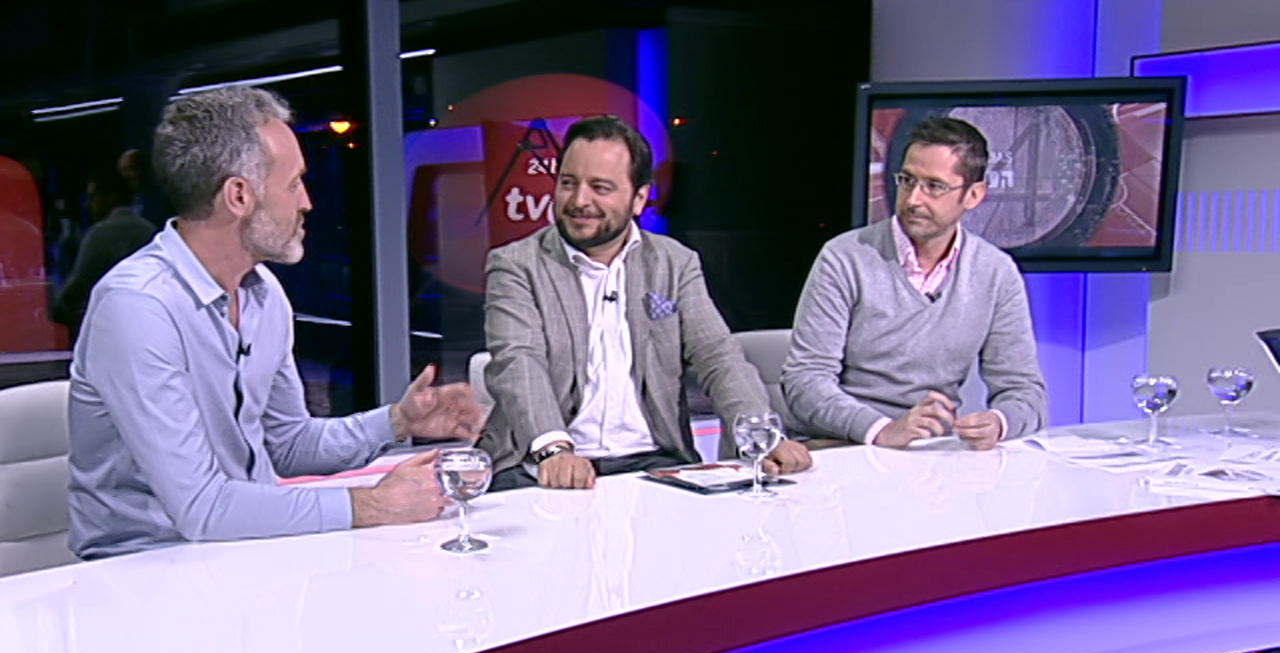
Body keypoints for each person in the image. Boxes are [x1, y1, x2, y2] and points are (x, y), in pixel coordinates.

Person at [68, 86, 483, 558]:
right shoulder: (138, 307)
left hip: (246, 552)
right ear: (238, 196)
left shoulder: (263, 294)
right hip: (143, 568)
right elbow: (202, 509)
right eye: (294, 184)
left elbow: (286, 444)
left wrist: (397, 421)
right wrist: (373, 505)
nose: (307, 202)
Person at [479, 115, 811, 490]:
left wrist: (762, 436)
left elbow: (717, 355)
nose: (579, 201)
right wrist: (553, 449)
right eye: (568, 183)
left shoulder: (674, 263)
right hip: (538, 464)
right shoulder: (517, 264)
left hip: (653, 461)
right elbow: (519, 361)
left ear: (639, 198)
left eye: (600, 187)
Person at [781, 116, 1047, 451]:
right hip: (840, 445)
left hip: (929, 453)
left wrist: (999, 422)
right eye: (907, 180)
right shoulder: (845, 258)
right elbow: (805, 381)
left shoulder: (996, 272)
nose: (913, 200)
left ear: (973, 195)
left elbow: (1025, 393)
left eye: (934, 186)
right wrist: (882, 430)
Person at [53, 167, 156, 338]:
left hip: (109, 330)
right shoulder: (150, 230)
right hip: (148, 326)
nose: (88, 205)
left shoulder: (100, 234)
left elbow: (76, 288)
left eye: (93, 197)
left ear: (112, 197)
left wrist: (54, 310)